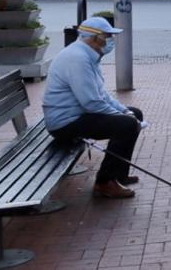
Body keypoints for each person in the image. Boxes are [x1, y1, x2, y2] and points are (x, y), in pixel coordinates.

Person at [43, 17, 145, 199]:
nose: (110, 41)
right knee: (126, 125)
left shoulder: (88, 56)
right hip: (65, 123)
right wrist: (126, 119)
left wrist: (125, 111)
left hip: (78, 115)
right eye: (107, 36)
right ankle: (105, 182)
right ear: (94, 38)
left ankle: (119, 174)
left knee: (134, 114)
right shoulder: (78, 59)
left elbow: (101, 95)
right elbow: (91, 103)